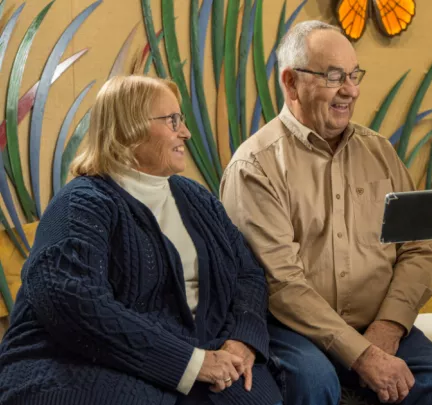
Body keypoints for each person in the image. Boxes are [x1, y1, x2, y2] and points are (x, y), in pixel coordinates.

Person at [220, 20, 432, 405]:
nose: (350, 90)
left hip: (378, 323)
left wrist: (388, 326)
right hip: (293, 331)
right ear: (291, 82)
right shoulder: (255, 166)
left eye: (354, 75)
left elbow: (416, 248)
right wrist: (363, 354)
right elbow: (281, 284)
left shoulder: (380, 152)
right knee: (315, 384)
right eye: (334, 77)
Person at [0, 76, 282, 405]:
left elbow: (246, 273)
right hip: (84, 363)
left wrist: (241, 341)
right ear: (128, 128)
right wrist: (190, 364)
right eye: (172, 120)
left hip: (201, 356)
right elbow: (71, 303)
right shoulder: (80, 203)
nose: (185, 132)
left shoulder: (195, 198)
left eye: (183, 120)